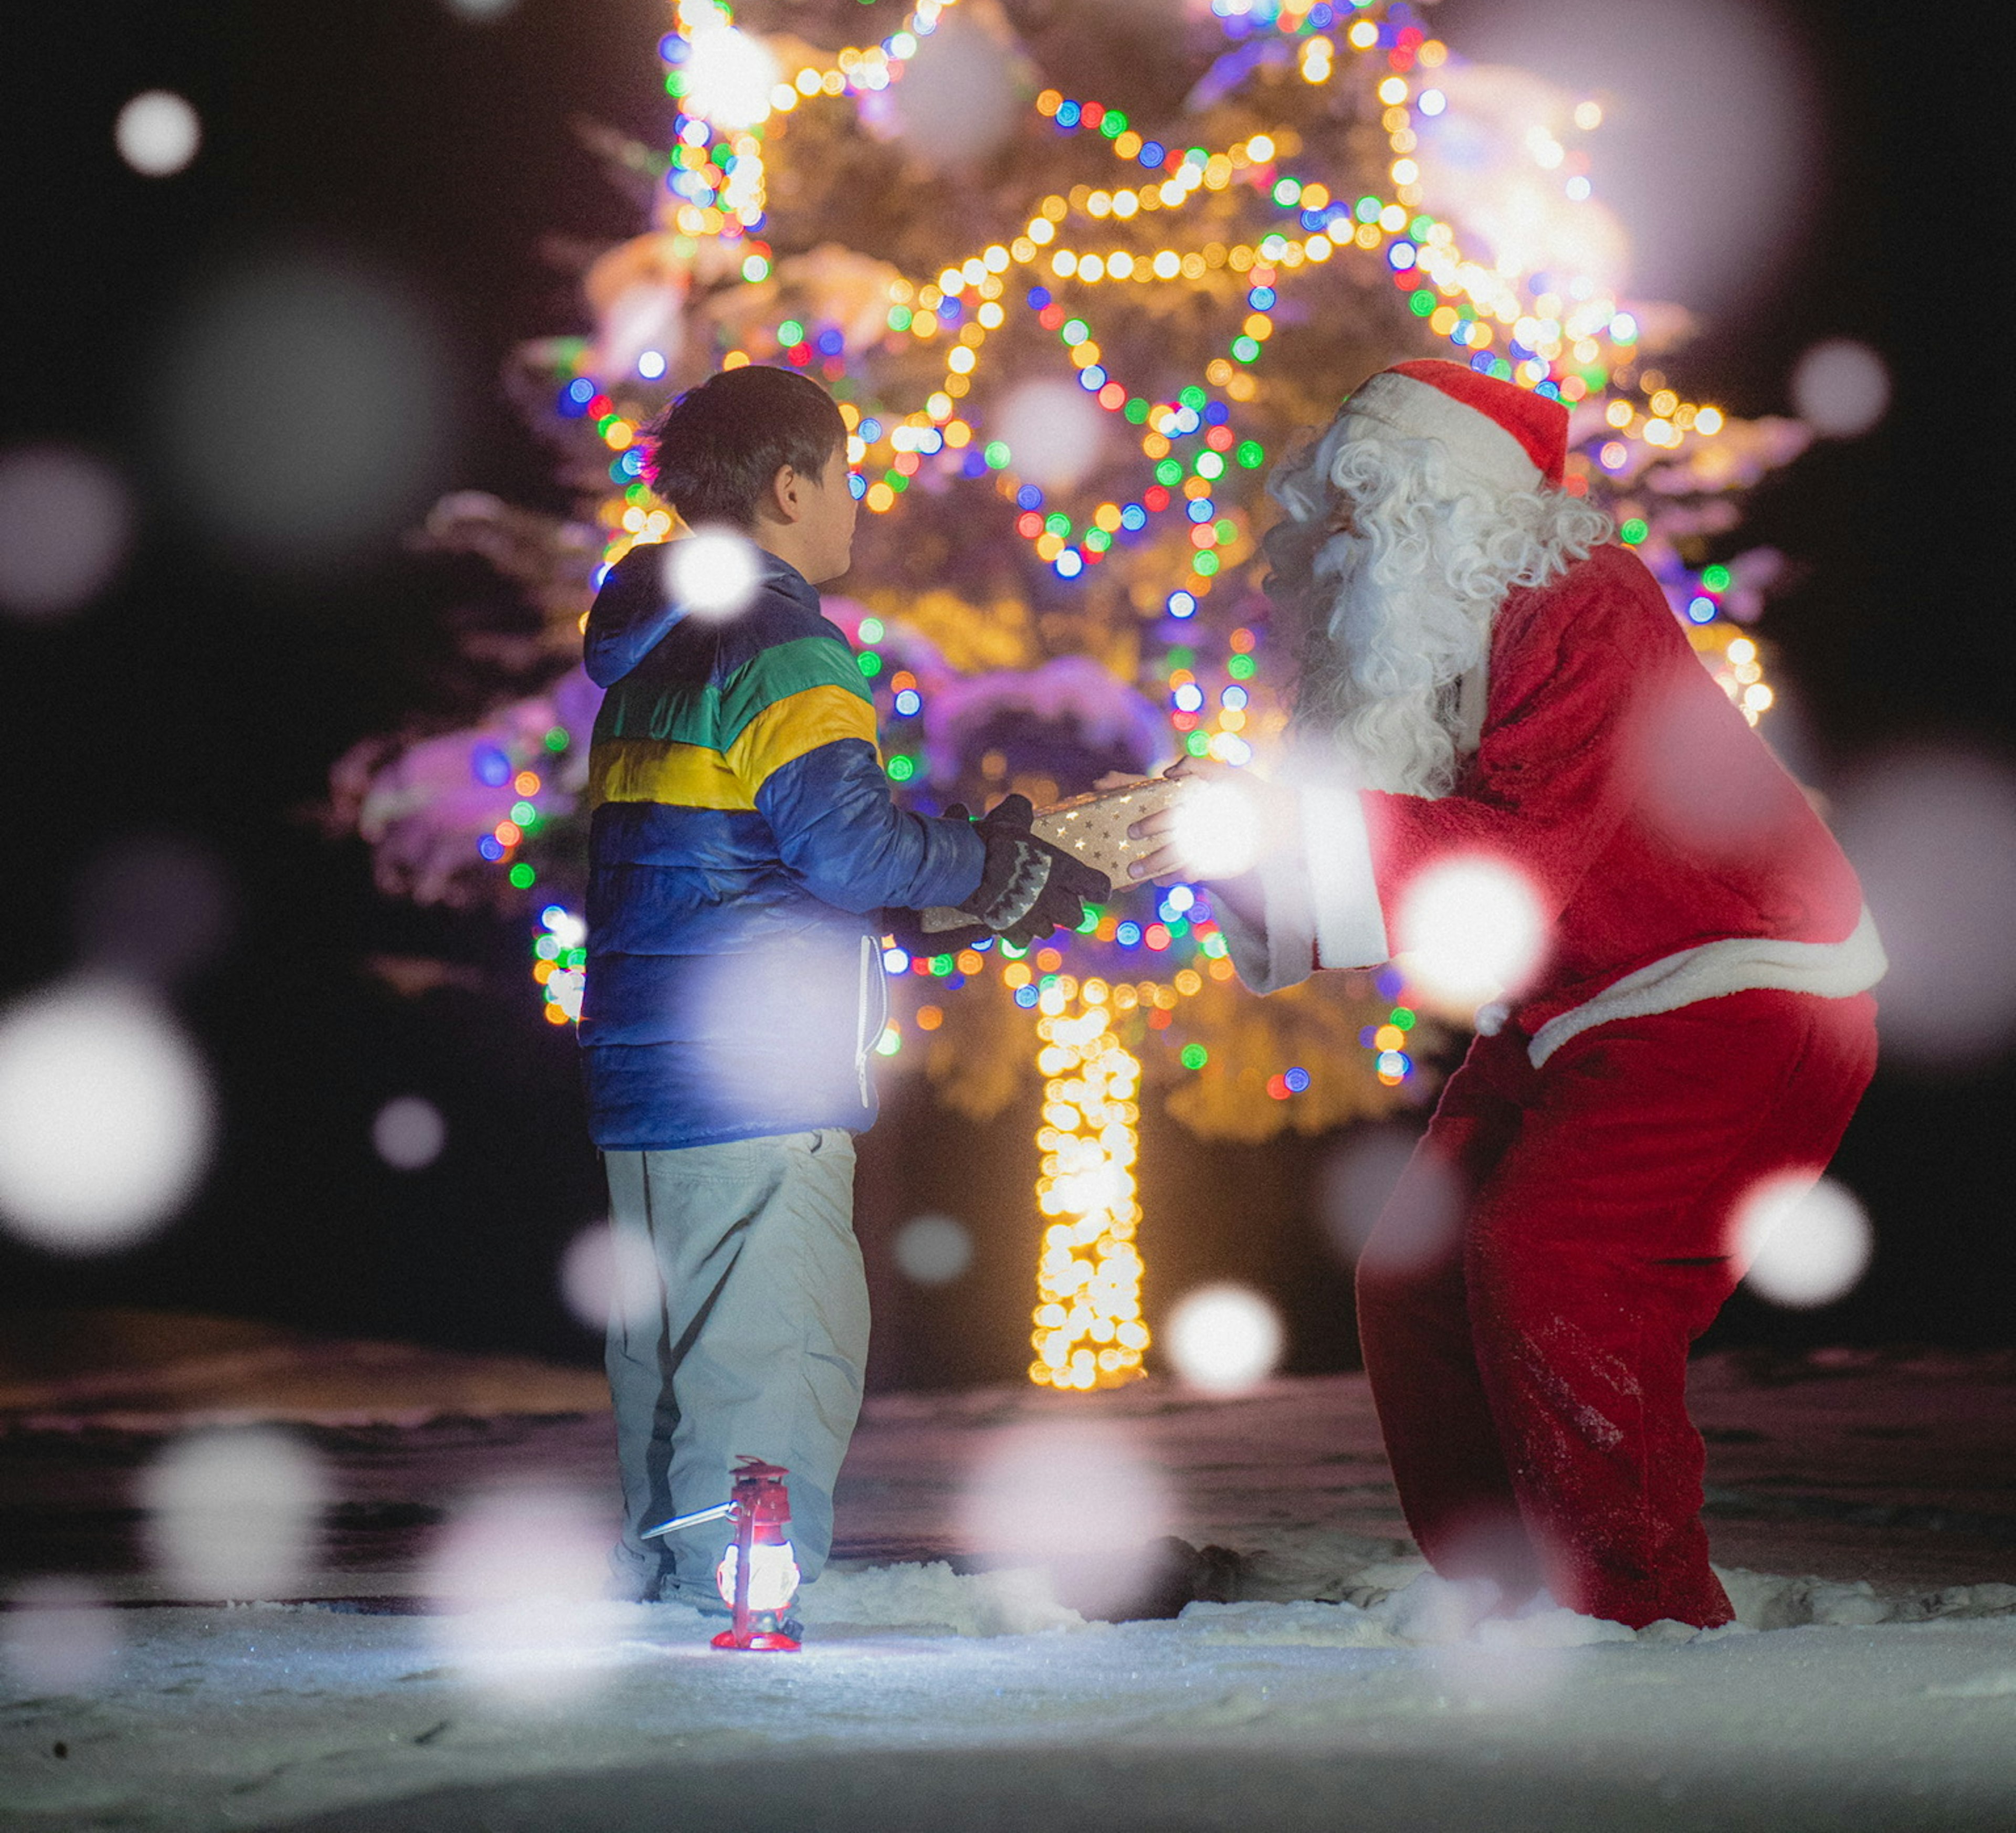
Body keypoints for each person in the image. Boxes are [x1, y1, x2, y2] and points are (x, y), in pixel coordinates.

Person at [1130, 357, 1884, 1634]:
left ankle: (1639, 1621)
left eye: (1376, 507)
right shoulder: (1424, 643)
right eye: (1337, 511)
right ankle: (1508, 1597)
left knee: (1559, 1267)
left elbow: (1517, 857)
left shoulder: (1585, 602)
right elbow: (1392, 851)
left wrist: (1286, 823)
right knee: (1411, 1273)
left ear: (1454, 509)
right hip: (1579, 1003)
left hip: (1744, 986)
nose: (1347, 543)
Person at [579, 363, 1104, 1629]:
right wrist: (990, 866)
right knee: (779, 1347)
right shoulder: (780, 638)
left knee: (667, 1356)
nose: (857, 504)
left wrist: (959, 890)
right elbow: (844, 848)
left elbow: (741, 858)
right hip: (757, 1072)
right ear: (789, 484)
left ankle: (666, 1582)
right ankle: (745, 1596)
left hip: (645, 1072)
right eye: (847, 475)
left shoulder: (649, 650)